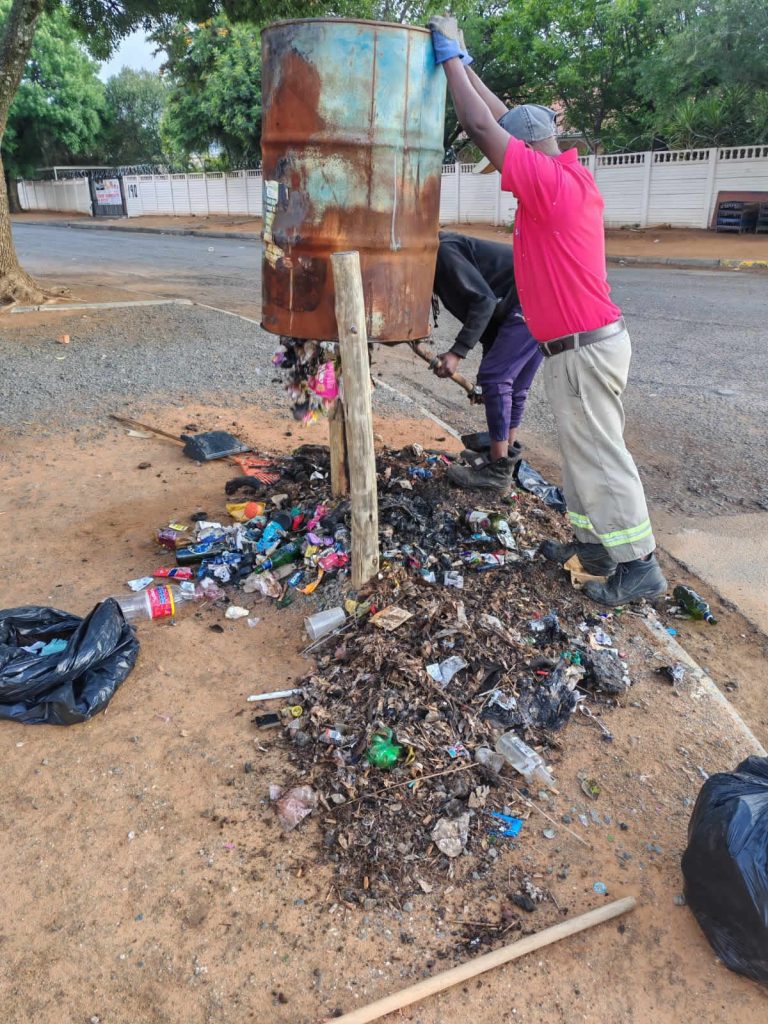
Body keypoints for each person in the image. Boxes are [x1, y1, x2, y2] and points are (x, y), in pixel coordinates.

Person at [427, 16, 667, 607]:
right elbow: (507, 116)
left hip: (584, 346)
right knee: (581, 453)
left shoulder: (553, 185)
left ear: (530, 150)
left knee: (601, 454)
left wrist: (451, 55)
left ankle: (639, 568)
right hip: (573, 345)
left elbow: (481, 123)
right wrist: (468, 63)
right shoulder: (560, 175)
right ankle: (594, 551)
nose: (504, 180)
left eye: (512, 159)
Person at [433, 231, 543, 492]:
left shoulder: (443, 253)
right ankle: (502, 458)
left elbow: (484, 303)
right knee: (512, 385)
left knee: (496, 378)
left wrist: (456, 353)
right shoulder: (450, 248)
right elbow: (494, 323)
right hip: (543, 296)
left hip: (533, 297)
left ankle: (496, 473)